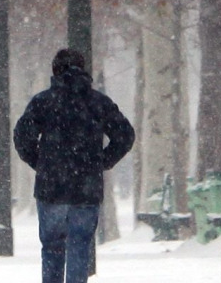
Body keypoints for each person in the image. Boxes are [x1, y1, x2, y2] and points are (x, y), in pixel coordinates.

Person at [12, 49, 135, 283]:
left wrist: (40, 162)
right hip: (86, 188)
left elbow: (22, 136)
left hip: (51, 188)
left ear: (55, 70)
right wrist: (102, 161)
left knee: (52, 247)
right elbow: (125, 135)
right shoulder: (98, 102)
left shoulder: (43, 102)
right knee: (80, 245)